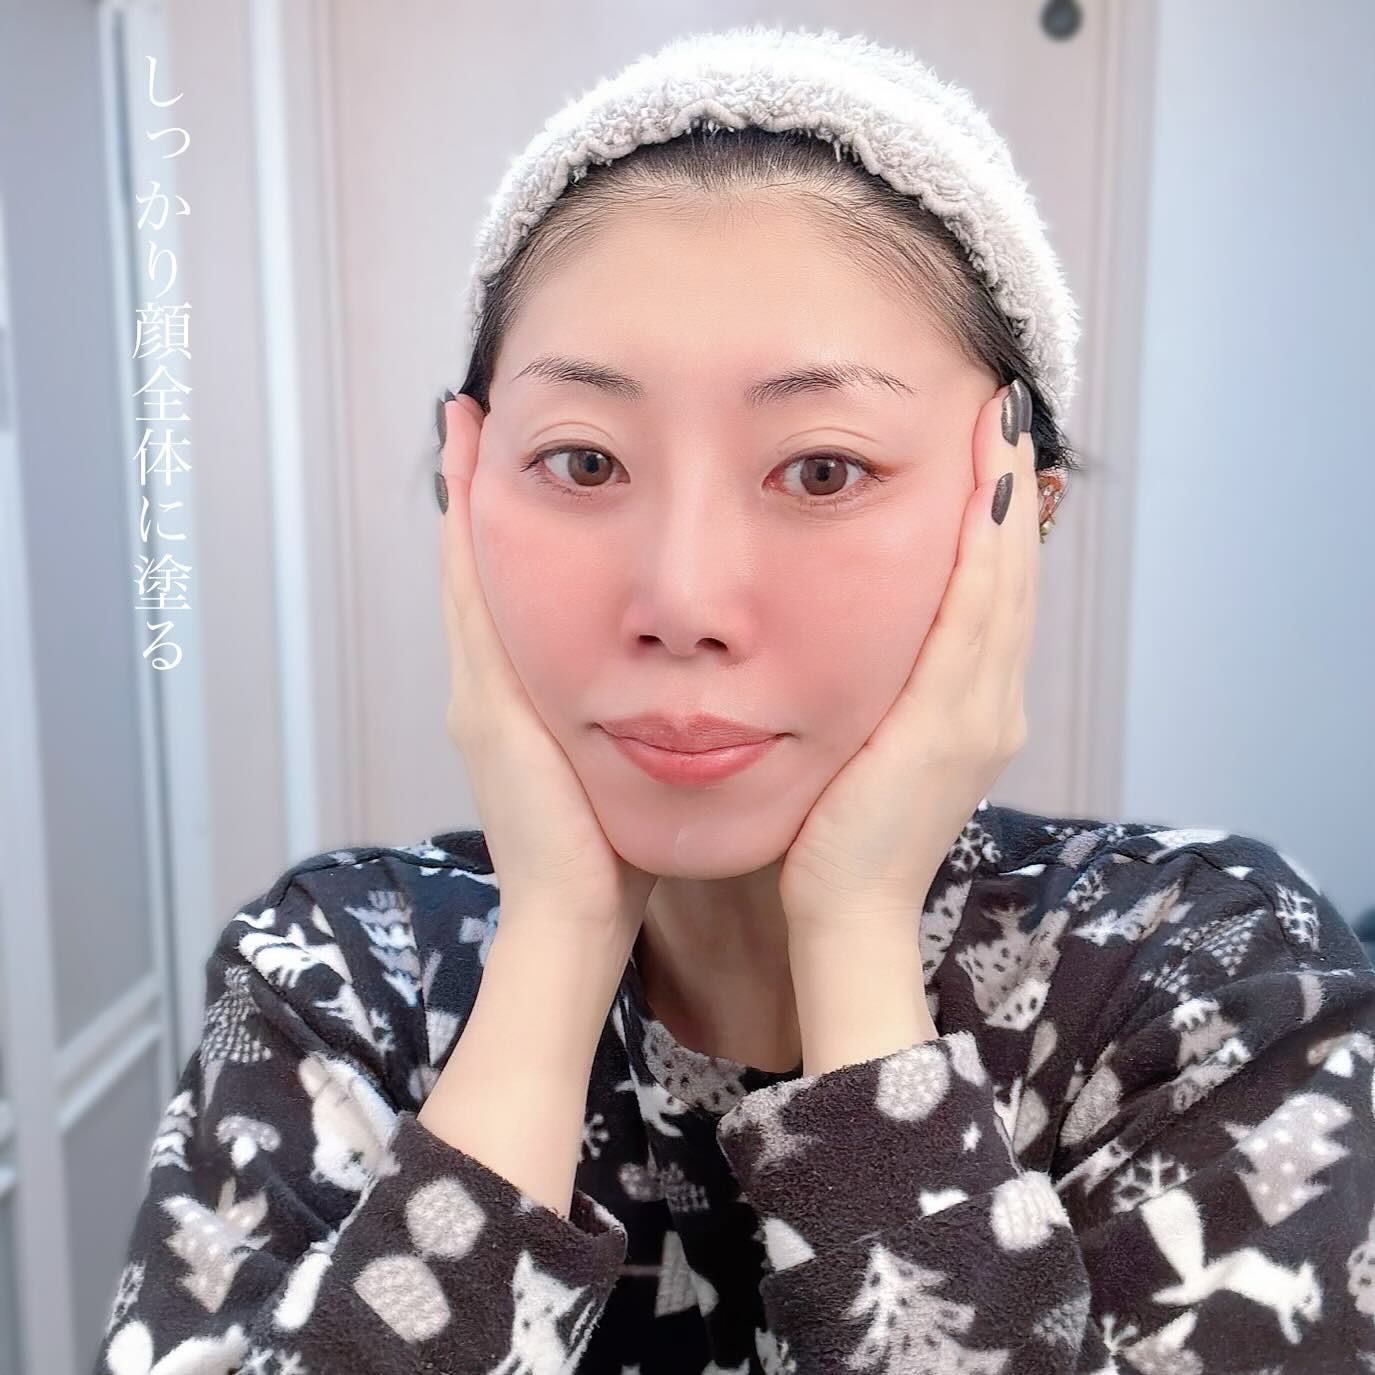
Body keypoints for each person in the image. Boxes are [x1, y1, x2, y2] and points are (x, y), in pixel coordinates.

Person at [93, 25, 1375, 1375]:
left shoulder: (1209, 981)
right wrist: (555, 945)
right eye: (584, 461)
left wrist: (857, 935)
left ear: (1017, 512)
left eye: (823, 470)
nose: (683, 596)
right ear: (464, 494)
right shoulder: (335, 975)